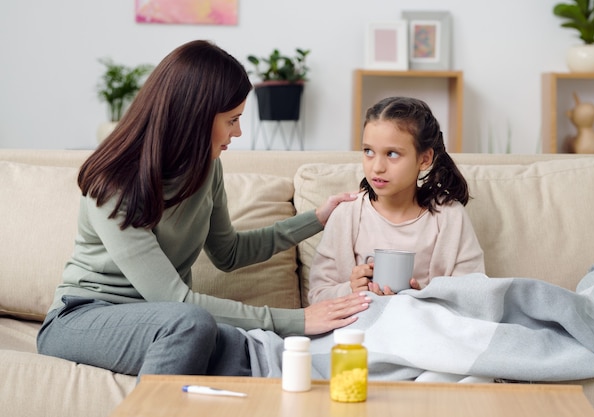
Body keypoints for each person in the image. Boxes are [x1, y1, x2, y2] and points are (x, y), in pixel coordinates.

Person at [36, 40, 370, 378]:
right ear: (194, 116)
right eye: (232, 120)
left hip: (161, 320)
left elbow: (229, 252)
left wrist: (316, 219)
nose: (238, 132)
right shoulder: (115, 183)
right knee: (192, 324)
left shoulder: (208, 169)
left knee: (246, 345)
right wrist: (299, 319)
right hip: (82, 318)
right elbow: (174, 300)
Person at [308, 97, 484, 304]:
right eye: (368, 152)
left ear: (424, 159)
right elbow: (317, 296)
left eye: (392, 154)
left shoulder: (449, 215)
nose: (377, 167)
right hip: (363, 329)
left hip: (424, 329)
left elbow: (475, 295)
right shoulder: (347, 214)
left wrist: (421, 296)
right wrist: (351, 288)